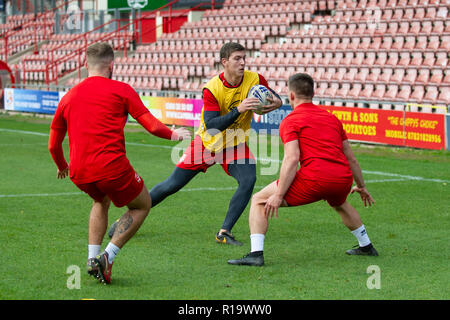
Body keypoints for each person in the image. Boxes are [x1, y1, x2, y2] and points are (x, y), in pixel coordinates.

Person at [108, 42, 283, 245]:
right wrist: (240, 109)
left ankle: (224, 232)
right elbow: (211, 126)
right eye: (237, 58)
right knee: (170, 185)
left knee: (248, 180)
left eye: (244, 58)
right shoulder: (212, 89)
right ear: (224, 62)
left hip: (234, 143)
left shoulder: (255, 79)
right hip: (207, 144)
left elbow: (272, 96)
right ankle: (124, 220)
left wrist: (277, 102)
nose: (243, 62)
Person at [48, 42, 190, 284]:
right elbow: (151, 124)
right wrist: (174, 135)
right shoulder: (121, 89)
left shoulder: (68, 96)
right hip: (111, 167)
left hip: (79, 172)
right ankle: (108, 256)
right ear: (111, 65)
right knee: (143, 204)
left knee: (99, 200)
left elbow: (53, 144)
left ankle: (92, 258)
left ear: (85, 65)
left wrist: (62, 165)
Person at [228, 73, 378, 267]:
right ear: (313, 93)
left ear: (291, 95)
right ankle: (366, 246)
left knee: (259, 200)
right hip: (342, 178)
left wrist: (279, 195)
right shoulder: (332, 118)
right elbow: (351, 157)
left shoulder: (291, 120)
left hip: (316, 178)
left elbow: (292, 158)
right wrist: (362, 185)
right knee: (339, 203)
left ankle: (255, 254)